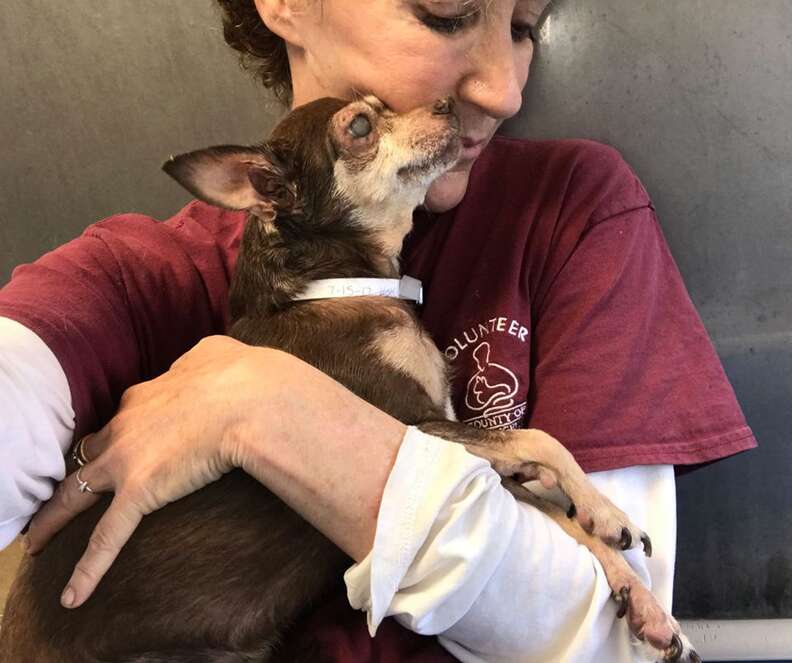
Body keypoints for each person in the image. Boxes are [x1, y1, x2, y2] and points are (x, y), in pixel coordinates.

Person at [0, 0, 756, 660]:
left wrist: (261, 406)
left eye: (525, 26)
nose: (505, 87)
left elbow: (614, 641)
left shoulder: (573, 212)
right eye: (445, 10)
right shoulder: (150, 273)